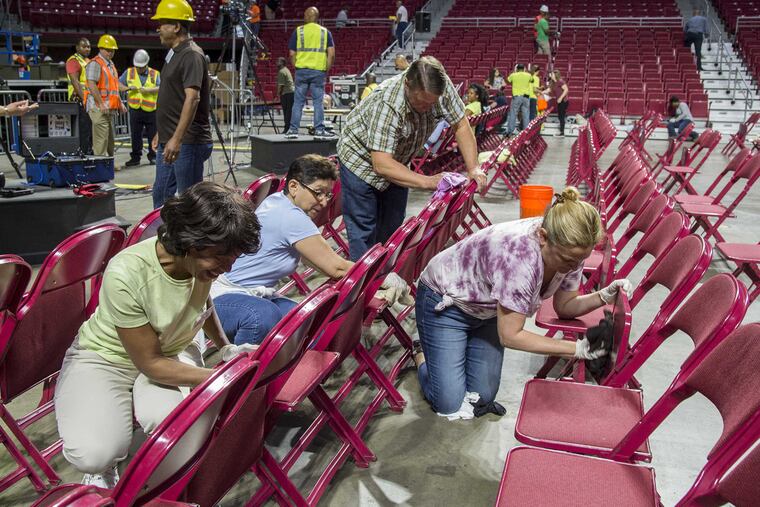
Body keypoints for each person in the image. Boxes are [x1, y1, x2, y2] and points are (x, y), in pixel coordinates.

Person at [54, 182, 261, 488]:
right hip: (108, 356)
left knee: (179, 433)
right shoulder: (128, 272)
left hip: (172, 349)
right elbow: (150, 363)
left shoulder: (200, 263)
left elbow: (202, 304)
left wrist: (226, 348)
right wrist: (221, 378)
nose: (227, 267)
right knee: (95, 453)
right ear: (191, 242)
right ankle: (106, 463)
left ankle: (132, 461)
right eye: (221, 257)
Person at [413, 187, 632, 419]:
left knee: (481, 399)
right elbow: (510, 335)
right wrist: (576, 349)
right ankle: (421, 355)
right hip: (447, 303)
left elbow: (565, 307)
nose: (573, 266)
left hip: (488, 311)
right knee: (449, 404)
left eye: (580, 260)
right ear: (543, 237)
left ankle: (448, 355)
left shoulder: (569, 249)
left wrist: (603, 296)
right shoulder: (520, 258)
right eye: (568, 260)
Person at [337, 56, 484, 261]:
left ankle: (384, 276)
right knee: (364, 231)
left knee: (392, 228)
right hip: (360, 162)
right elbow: (381, 164)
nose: (427, 108)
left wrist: (474, 168)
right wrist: (428, 181)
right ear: (407, 84)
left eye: (432, 103)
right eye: (422, 102)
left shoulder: (439, 84)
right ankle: (362, 287)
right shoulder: (387, 103)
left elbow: (460, 124)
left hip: (397, 159)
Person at [213, 155, 354, 344]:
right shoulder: (291, 216)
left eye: (328, 195)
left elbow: (316, 260)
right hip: (223, 297)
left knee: (312, 327)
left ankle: (283, 372)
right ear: (294, 186)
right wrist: (381, 276)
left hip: (254, 293)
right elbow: (337, 268)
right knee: (262, 319)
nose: (323, 202)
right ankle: (245, 370)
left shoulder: (279, 200)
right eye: (318, 192)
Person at [151, 0, 213, 209]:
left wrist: (176, 139)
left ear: (177, 26)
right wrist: (162, 132)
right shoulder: (174, 54)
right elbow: (173, 96)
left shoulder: (192, 54)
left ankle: (193, 241)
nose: (158, 28)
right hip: (170, 138)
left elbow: (192, 98)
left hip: (187, 142)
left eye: (162, 23)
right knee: (161, 196)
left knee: (190, 202)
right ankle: (165, 239)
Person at [284, 7, 336, 140]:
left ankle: (293, 130)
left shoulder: (299, 31)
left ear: (306, 17)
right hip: (318, 71)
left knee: (298, 102)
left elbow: (291, 53)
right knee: (318, 102)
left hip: (301, 70)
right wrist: (326, 69)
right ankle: (319, 130)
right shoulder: (325, 32)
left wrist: (297, 66)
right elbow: (331, 54)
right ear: (317, 17)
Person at [84, 34, 126, 157]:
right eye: (108, 50)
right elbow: (91, 85)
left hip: (107, 108)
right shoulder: (95, 63)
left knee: (109, 139)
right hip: (98, 108)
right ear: (101, 49)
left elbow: (113, 87)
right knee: (101, 140)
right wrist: (101, 103)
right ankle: (100, 167)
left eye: (112, 50)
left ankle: (108, 165)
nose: (110, 52)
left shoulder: (110, 64)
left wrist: (120, 103)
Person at [120, 49, 160, 167]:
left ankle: (153, 156)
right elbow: (119, 84)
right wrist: (128, 88)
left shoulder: (155, 73)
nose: (139, 69)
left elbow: (161, 87)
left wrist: (149, 90)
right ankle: (135, 157)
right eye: (137, 66)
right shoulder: (129, 72)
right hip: (135, 109)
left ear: (147, 64)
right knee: (135, 135)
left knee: (152, 135)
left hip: (151, 110)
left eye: (141, 67)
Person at [66, 37, 93, 154]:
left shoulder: (88, 61)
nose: (87, 49)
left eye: (88, 46)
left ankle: (89, 152)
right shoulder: (73, 61)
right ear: (77, 47)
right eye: (84, 46)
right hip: (79, 101)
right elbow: (75, 82)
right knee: (83, 131)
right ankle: (83, 155)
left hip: (89, 101)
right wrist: (85, 99)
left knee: (90, 131)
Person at [505, 64, 532, 136]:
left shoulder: (513, 75)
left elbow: (507, 81)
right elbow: (532, 81)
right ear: (524, 68)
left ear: (517, 69)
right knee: (526, 114)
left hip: (517, 96)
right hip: (526, 97)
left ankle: (510, 131)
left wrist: (514, 72)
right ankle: (526, 132)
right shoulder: (528, 75)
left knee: (513, 113)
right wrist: (526, 72)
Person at [544, 69, 569, 136]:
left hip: (563, 101)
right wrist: (541, 92)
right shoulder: (553, 83)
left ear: (555, 75)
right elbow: (548, 90)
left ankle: (562, 132)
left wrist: (561, 98)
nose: (550, 75)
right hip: (559, 101)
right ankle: (561, 131)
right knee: (560, 116)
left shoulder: (560, 81)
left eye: (551, 74)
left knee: (561, 116)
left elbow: (566, 90)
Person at [277, 57, 295, 131]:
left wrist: (278, 94)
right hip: (291, 93)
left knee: (286, 112)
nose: (276, 63)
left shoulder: (281, 71)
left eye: (278, 61)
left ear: (282, 63)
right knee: (289, 112)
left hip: (287, 93)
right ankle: (290, 128)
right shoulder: (286, 69)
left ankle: (287, 129)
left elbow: (281, 85)